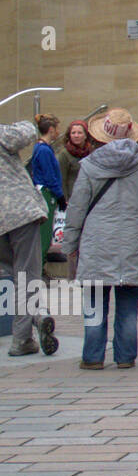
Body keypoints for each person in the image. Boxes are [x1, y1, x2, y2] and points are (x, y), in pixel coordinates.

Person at [63, 107, 138, 368]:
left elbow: (77, 208)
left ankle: (93, 357)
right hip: (133, 240)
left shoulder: (89, 167)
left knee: (95, 303)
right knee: (129, 303)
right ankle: (126, 357)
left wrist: (70, 244)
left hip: (97, 243)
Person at [0, 119, 58, 357]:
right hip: (19, 212)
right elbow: (26, 133)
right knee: (27, 275)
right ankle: (23, 338)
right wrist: (30, 121)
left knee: (9, 273)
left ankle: (36, 316)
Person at [30, 115, 64, 262]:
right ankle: (39, 268)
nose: (58, 132)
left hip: (47, 192)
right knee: (44, 236)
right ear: (51, 130)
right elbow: (50, 176)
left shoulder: (43, 148)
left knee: (45, 235)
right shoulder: (43, 150)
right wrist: (60, 195)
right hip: (46, 193)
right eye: (57, 129)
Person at [56, 119, 94, 216]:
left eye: (79, 133)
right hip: (72, 198)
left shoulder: (92, 152)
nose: (76, 135)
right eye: (73, 133)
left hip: (89, 196)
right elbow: (62, 178)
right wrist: (65, 199)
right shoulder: (64, 154)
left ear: (86, 135)